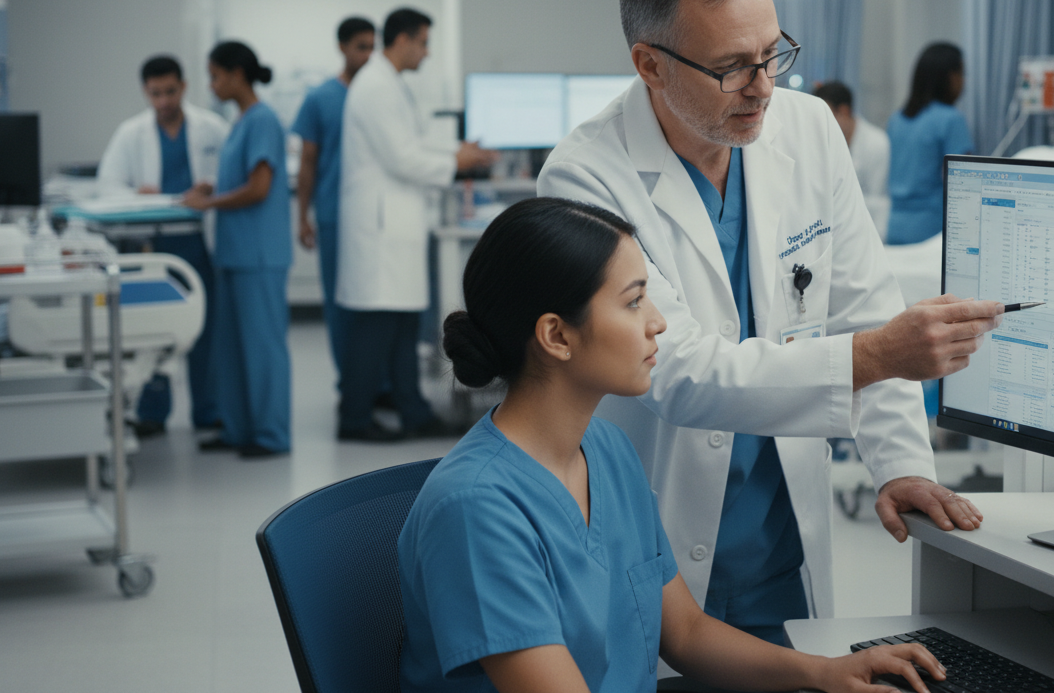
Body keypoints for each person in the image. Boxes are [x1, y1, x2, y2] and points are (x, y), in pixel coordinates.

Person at [538, 0, 1001, 652]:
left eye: (771, 54)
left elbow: (863, 308)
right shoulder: (586, 177)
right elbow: (677, 369)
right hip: (651, 542)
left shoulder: (808, 129)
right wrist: (876, 354)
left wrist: (902, 463)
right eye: (730, 68)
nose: (763, 87)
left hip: (779, 546)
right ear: (649, 65)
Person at [399, 195, 946, 693]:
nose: (658, 322)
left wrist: (826, 673)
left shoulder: (606, 451)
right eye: (635, 302)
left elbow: (683, 632)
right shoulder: (477, 508)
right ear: (557, 336)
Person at [335, 7, 494, 442]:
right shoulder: (375, 87)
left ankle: (414, 412)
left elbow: (412, 141)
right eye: (423, 42)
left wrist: (454, 149)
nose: (426, 53)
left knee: (402, 329)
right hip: (381, 228)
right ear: (402, 40)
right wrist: (455, 160)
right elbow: (401, 157)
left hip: (395, 225)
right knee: (376, 332)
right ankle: (354, 420)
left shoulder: (389, 85)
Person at [96, 55, 228, 436]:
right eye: (156, 94)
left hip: (199, 243)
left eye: (170, 92)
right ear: (146, 92)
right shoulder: (130, 133)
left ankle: (208, 410)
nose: (164, 101)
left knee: (204, 328)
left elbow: (233, 175)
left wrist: (212, 187)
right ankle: (154, 412)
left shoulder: (212, 128)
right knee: (157, 329)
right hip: (152, 246)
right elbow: (108, 185)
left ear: (183, 87)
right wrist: (136, 193)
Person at [183, 41, 292, 458]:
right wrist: (214, 187)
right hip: (234, 254)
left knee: (262, 349)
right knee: (230, 349)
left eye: (215, 76)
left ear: (237, 75)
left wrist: (208, 203)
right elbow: (243, 177)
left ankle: (270, 435)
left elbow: (260, 188)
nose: (211, 85)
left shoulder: (263, 120)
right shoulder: (241, 120)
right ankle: (237, 428)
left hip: (258, 257)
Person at [292, 16, 375, 376]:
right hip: (334, 214)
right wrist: (302, 216)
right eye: (361, 47)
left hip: (372, 216)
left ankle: (376, 384)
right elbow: (308, 162)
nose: (368, 55)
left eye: (373, 47)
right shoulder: (320, 99)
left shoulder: (380, 94)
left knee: (374, 304)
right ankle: (349, 383)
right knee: (340, 305)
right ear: (342, 47)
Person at [885, 43, 973, 245]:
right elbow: (965, 185)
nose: (963, 82)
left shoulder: (896, 119)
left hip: (895, 227)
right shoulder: (951, 120)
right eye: (962, 73)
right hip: (931, 230)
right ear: (950, 77)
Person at [813, 80, 890, 238]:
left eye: (826, 116)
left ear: (844, 111)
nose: (820, 124)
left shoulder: (876, 143)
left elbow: (877, 203)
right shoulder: (820, 141)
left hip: (869, 229)